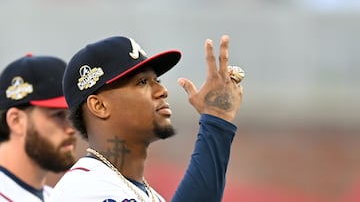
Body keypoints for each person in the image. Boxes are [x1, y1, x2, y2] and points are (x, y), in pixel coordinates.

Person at [50, 34, 244, 202]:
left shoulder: (144, 193)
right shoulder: (84, 189)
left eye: (156, 80)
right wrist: (216, 121)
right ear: (99, 106)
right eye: (142, 82)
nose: (162, 90)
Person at [0, 54, 78, 202]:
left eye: (70, 116)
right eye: (58, 115)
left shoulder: (56, 196)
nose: (71, 129)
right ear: (16, 121)